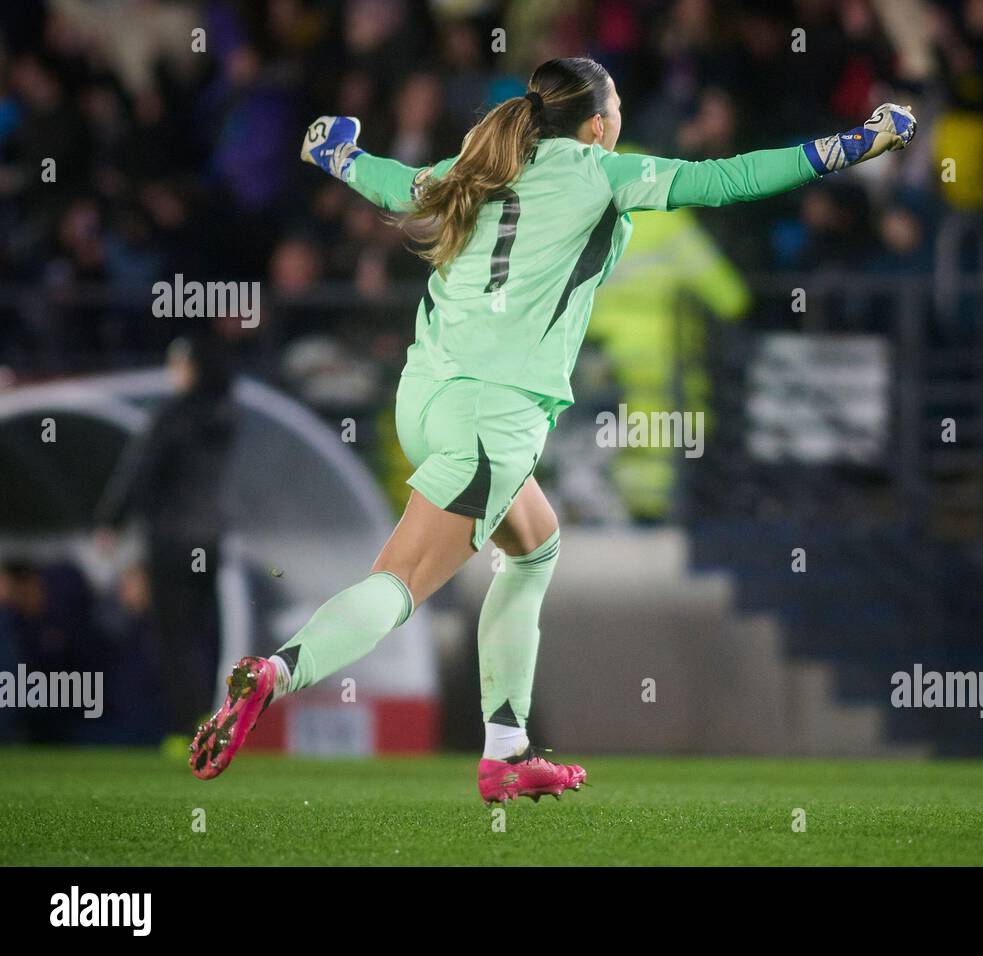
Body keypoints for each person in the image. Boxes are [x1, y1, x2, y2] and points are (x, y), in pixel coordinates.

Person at [189, 57, 916, 803]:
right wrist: (853, 145)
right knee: (403, 581)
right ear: (598, 123)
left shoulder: (481, 164)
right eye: (619, 106)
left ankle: (507, 749)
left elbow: (392, 183)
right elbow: (730, 178)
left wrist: (336, 153)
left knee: (535, 545)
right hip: (493, 415)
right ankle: (276, 672)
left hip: (428, 396)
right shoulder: (604, 173)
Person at [96, 334, 236, 743]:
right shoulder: (226, 416)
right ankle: (211, 722)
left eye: (177, 364)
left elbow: (143, 470)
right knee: (205, 634)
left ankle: (183, 729)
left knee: (174, 637)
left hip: (172, 541)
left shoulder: (174, 413)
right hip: (208, 541)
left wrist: (112, 520)